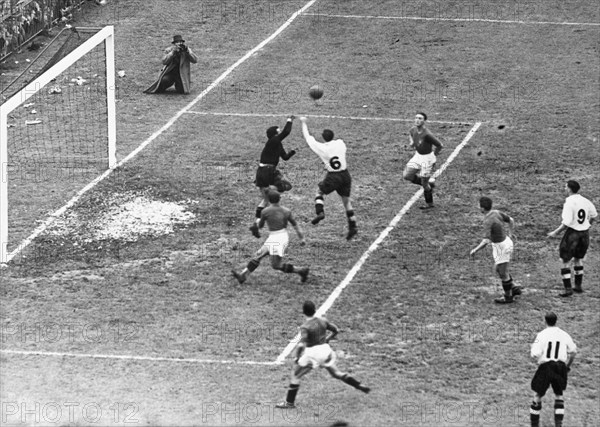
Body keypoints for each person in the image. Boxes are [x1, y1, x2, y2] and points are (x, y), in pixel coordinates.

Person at [276, 300, 370, 409]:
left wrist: (297, 358)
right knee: (336, 373)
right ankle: (357, 384)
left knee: (295, 375)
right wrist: (327, 339)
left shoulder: (305, 327)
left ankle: (289, 403)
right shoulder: (323, 321)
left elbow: (301, 346)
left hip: (312, 354)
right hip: (326, 351)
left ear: (303, 312)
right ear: (315, 310)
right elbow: (336, 330)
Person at [299, 116, 357, 240]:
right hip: (345, 175)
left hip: (333, 176)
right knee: (346, 201)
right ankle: (353, 226)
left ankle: (320, 212)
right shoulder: (340, 143)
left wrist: (303, 123)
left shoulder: (322, 148)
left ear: (324, 138)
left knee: (319, 192)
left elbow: (308, 137)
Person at [232, 190, 308, 284]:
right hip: (281, 236)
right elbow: (295, 225)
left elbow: (260, 226)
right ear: (279, 199)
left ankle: (301, 271)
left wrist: (257, 223)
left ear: (269, 200)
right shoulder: (286, 211)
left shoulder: (265, 211)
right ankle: (243, 276)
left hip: (276, 238)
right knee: (258, 255)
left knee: (276, 265)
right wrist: (302, 238)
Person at [547, 180, 597, 297]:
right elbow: (594, 215)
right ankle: (578, 286)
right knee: (578, 259)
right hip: (584, 234)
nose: (565, 189)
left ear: (569, 189)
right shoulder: (585, 200)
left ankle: (568, 289)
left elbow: (567, 223)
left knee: (565, 260)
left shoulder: (569, 202)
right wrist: (587, 225)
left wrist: (555, 232)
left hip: (573, 234)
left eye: (565, 187)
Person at [249, 116, 296, 238]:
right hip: (269, 171)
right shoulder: (273, 141)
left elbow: (285, 157)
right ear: (274, 134)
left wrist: (292, 152)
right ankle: (279, 187)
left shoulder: (277, 144)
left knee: (265, 200)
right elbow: (286, 132)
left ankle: (256, 224)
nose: (279, 132)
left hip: (261, 171)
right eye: (278, 131)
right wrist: (290, 120)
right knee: (281, 188)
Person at [469, 196, 522, 303]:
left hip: (501, 247)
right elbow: (511, 220)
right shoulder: (496, 212)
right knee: (499, 269)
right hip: (504, 243)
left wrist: (475, 250)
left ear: (482, 208)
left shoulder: (488, 220)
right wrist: (511, 233)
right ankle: (514, 288)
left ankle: (508, 297)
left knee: (503, 273)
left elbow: (486, 241)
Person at [529, 312, 577, 427]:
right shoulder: (564, 334)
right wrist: (567, 366)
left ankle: (534, 424)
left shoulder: (542, 335)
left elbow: (535, 354)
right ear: (556, 321)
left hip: (546, 366)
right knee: (559, 395)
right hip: (560, 367)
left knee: (538, 395)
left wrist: (533, 349)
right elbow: (573, 351)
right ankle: (558, 424)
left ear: (544, 321)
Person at [403, 112, 443, 209]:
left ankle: (429, 203)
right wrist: (412, 142)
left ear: (424, 121)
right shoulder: (413, 129)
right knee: (407, 175)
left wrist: (434, 155)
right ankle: (430, 184)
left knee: (424, 183)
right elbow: (410, 133)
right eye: (416, 118)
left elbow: (440, 145)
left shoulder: (427, 134)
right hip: (418, 156)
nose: (417, 120)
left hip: (427, 158)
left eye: (420, 118)